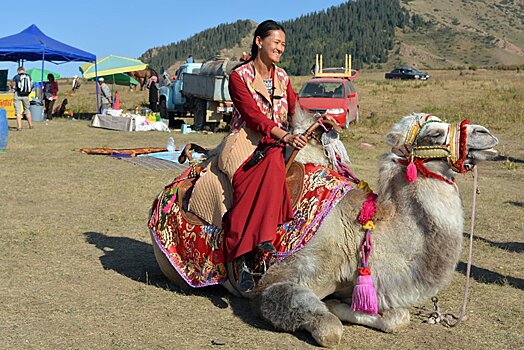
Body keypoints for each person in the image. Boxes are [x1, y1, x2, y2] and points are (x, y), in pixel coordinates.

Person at [221, 20, 308, 291]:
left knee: (278, 158)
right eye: (276, 42)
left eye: (283, 44)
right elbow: (253, 116)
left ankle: (259, 245)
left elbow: (295, 110)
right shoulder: (239, 77)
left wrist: (315, 123)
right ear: (259, 41)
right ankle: (251, 250)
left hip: (278, 143)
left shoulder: (283, 78)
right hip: (246, 142)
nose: (280, 48)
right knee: (269, 162)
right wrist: (285, 137)